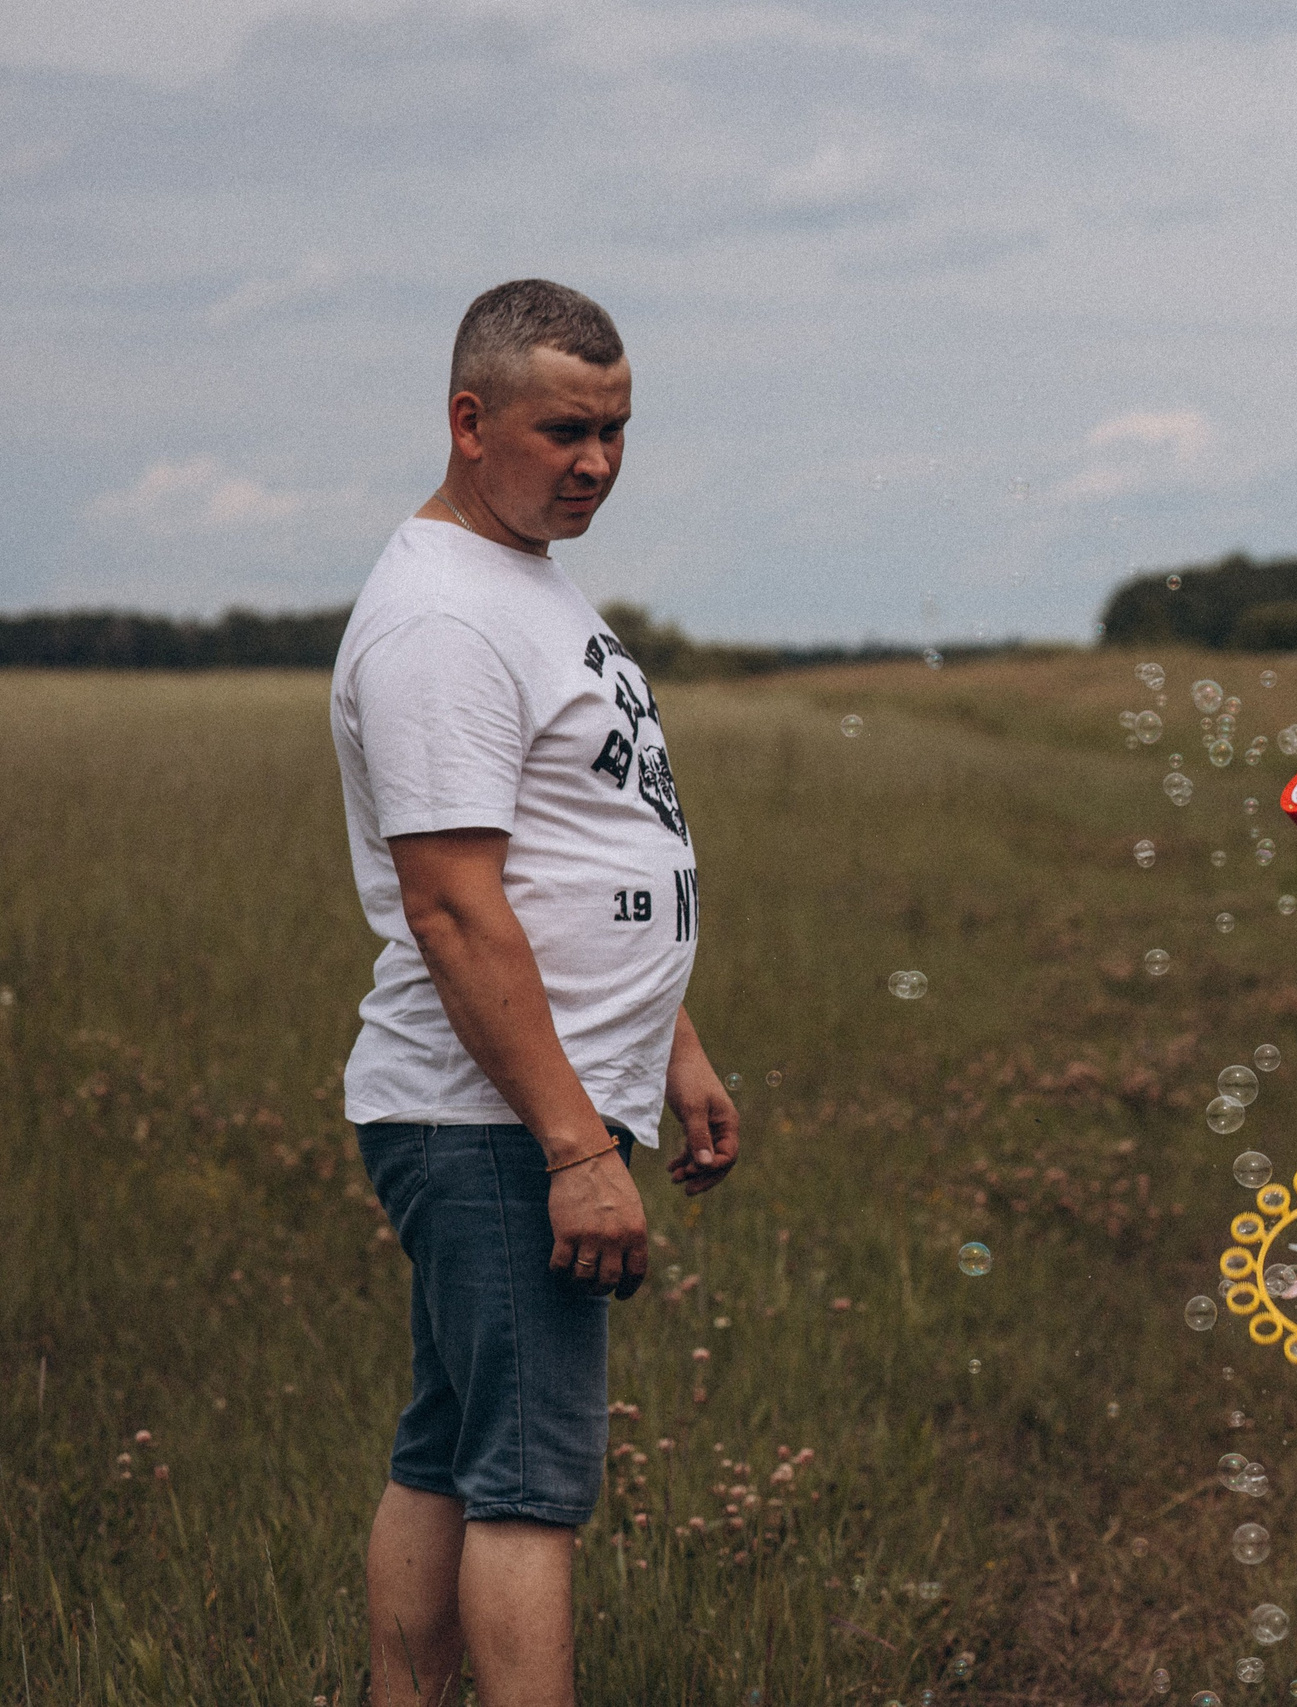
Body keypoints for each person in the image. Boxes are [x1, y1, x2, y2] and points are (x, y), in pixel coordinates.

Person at [331, 278, 741, 1707]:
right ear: (468, 420)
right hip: (492, 1116)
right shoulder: (439, 619)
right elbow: (455, 905)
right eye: (566, 428)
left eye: (618, 430)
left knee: (452, 1445)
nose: (598, 462)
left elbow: (583, 840)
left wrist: (669, 1037)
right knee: (528, 1481)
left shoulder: (525, 581)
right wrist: (575, 1144)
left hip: (523, 1101)